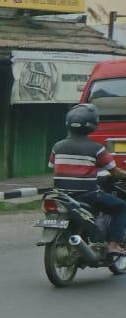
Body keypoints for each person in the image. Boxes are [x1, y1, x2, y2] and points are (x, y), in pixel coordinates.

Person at [49, 103, 126, 254]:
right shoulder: (97, 149)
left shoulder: (57, 146)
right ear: (93, 124)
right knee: (122, 207)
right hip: (87, 195)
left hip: (61, 195)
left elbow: (53, 166)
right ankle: (114, 245)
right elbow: (115, 172)